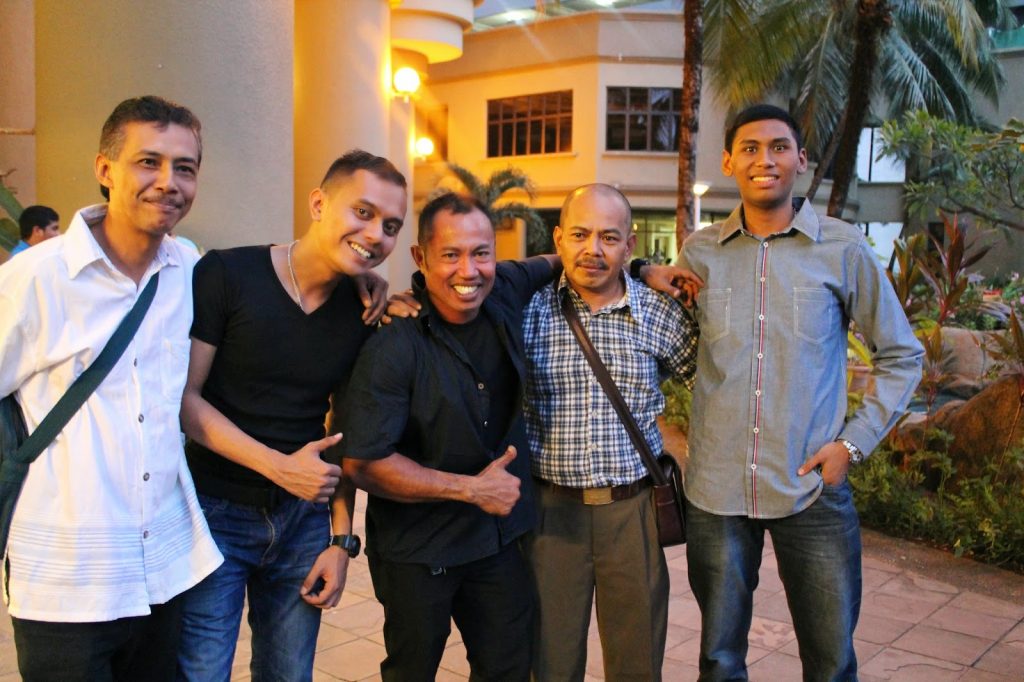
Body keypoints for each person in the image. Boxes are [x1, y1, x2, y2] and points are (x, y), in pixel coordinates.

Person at [678, 104, 924, 680]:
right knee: (718, 660)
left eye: (779, 147)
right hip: (717, 489)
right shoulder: (700, 252)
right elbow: (670, 347)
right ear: (728, 162)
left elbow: (902, 355)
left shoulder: (843, 248)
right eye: (750, 148)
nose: (764, 160)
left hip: (811, 487)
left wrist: (852, 445)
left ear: (801, 160)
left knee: (831, 662)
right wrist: (642, 269)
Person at [0, 95, 223, 681]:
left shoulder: (187, 269)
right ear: (105, 169)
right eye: (149, 161)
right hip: (66, 583)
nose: (168, 181)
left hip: (161, 571)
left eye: (185, 167)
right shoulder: (34, 278)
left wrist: (368, 286)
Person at [176, 150, 403, 682]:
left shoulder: (362, 310)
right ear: (319, 204)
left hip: (303, 522)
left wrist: (340, 540)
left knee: (288, 674)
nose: (375, 234)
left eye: (391, 225)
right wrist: (279, 467)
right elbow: (185, 400)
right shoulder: (227, 273)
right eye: (363, 212)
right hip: (213, 513)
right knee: (201, 672)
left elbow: (343, 433)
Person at [341, 192, 563, 681]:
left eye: (481, 253)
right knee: (412, 671)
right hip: (420, 550)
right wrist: (471, 489)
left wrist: (642, 266)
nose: (469, 270)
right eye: (450, 254)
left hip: (497, 542)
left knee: (508, 668)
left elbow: (565, 256)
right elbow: (363, 463)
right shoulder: (393, 344)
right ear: (420, 258)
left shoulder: (503, 289)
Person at [522, 183, 699, 681]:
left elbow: (712, 389)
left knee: (636, 662)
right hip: (550, 514)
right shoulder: (528, 310)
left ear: (629, 244)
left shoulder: (659, 314)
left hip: (632, 513)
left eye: (609, 237)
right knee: (549, 662)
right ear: (558, 239)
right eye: (579, 234)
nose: (593, 249)